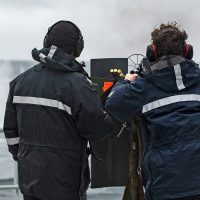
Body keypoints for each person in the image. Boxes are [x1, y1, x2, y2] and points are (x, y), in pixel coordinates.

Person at [3, 20, 113, 200]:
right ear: (78, 47)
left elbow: (10, 132)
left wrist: (25, 157)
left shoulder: (19, 82)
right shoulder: (79, 85)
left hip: (30, 182)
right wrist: (110, 101)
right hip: (66, 185)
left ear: (46, 41)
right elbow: (97, 129)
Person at [106, 22, 200, 200]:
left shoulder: (144, 87)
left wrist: (125, 81)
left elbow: (113, 104)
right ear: (188, 51)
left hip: (165, 183)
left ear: (152, 52)